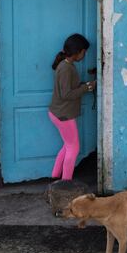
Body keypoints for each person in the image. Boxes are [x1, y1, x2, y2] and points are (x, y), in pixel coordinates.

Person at [49, 33, 96, 181]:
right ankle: (65, 183)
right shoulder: (66, 68)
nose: (85, 54)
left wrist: (85, 86)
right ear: (78, 52)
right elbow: (66, 94)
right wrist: (87, 88)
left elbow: (70, 88)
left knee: (67, 146)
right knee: (73, 148)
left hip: (60, 113)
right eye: (84, 52)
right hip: (63, 115)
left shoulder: (67, 65)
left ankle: (55, 177)